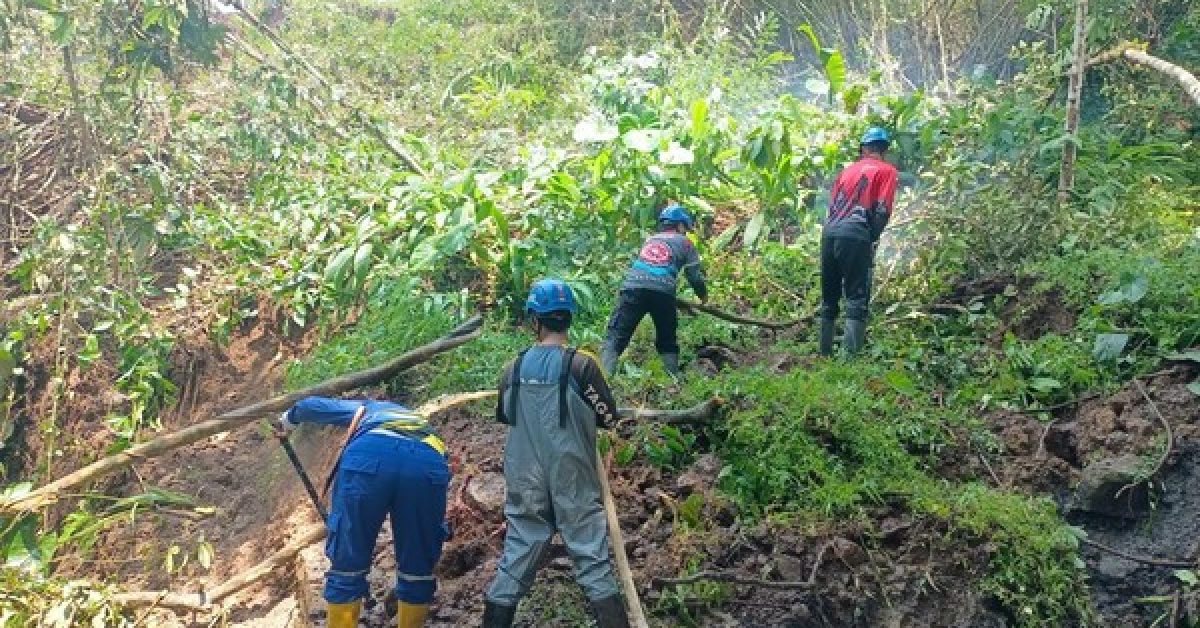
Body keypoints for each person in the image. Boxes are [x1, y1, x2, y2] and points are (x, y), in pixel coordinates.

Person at [482, 279, 629, 628]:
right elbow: (609, 417)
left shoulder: (512, 369)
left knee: (520, 549)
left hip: (525, 475)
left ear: (536, 320)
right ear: (570, 320)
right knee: (590, 553)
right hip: (572, 473)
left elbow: (505, 415)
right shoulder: (583, 366)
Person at [278, 395, 451, 628]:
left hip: (369, 459)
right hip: (426, 464)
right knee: (418, 564)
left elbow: (309, 406)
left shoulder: (369, 409)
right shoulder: (423, 426)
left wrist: (286, 422)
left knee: (347, 561)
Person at [600, 203, 708, 376]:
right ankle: (673, 379)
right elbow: (694, 276)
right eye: (685, 227)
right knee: (667, 339)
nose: (685, 231)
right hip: (663, 292)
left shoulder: (651, 240)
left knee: (616, 335)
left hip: (633, 287)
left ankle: (604, 378)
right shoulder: (687, 243)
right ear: (680, 225)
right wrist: (703, 297)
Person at [819, 126, 898, 356]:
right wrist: (872, 237)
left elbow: (832, 206)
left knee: (829, 296)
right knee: (856, 295)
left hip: (829, 233)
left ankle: (824, 353)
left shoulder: (846, 172)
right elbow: (882, 210)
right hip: (856, 235)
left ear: (862, 148)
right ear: (884, 149)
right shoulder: (887, 171)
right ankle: (850, 358)